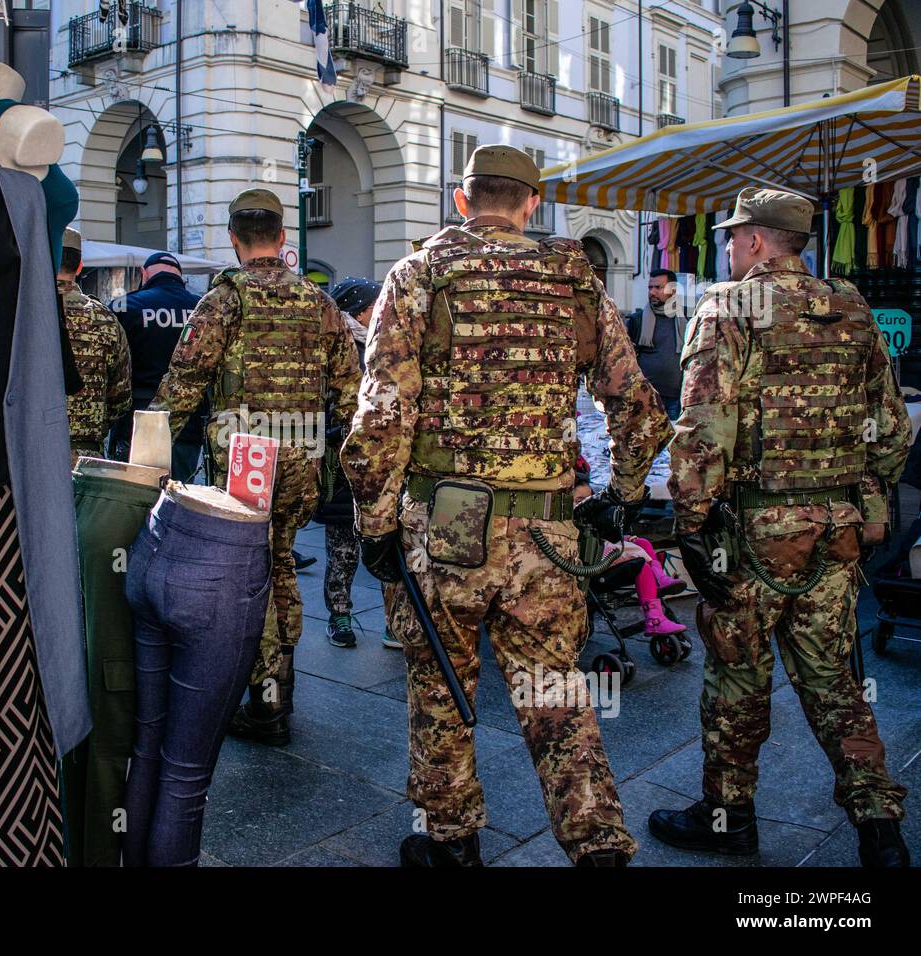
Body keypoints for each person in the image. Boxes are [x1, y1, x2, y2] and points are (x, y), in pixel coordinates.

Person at [343, 144, 671, 867]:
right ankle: (600, 847)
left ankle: (452, 841)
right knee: (556, 692)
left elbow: (381, 415)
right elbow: (637, 404)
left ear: (462, 201)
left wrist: (374, 520)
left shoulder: (420, 272)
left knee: (438, 682)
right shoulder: (574, 276)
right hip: (546, 526)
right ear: (531, 205)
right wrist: (620, 495)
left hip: (448, 517)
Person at [650, 187, 912, 868]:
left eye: (735, 237)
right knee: (833, 681)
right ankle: (879, 826)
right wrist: (869, 500)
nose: (730, 247)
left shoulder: (729, 306)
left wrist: (689, 521)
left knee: (737, 680)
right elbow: (891, 426)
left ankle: (727, 817)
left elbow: (705, 426)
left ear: (759, 241)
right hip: (835, 530)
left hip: (753, 533)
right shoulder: (853, 307)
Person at [150, 187, 361, 746]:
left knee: (253, 573)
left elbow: (184, 383)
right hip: (306, 455)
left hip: (248, 457)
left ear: (234, 239)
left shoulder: (224, 300)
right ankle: (277, 688)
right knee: (281, 561)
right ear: (283, 237)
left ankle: (267, 705)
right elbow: (350, 386)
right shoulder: (319, 302)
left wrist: (144, 457)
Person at [314, 276, 384, 649]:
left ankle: (396, 621)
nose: (380, 310)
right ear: (359, 308)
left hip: (379, 461)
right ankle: (339, 615)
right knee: (342, 545)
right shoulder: (332, 344)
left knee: (392, 544)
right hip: (342, 459)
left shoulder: (383, 344)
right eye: (375, 305)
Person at [109, 252, 208, 480]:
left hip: (136, 422)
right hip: (187, 424)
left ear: (144, 275)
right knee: (179, 503)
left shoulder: (125, 307)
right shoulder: (202, 308)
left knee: (132, 503)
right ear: (181, 278)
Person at [573, 456, 687, 637]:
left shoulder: (591, 515)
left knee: (642, 542)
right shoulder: (571, 521)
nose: (584, 504)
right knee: (639, 564)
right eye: (579, 500)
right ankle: (654, 617)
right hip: (592, 559)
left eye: (588, 499)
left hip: (601, 549)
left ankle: (660, 578)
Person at [56, 227, 133, 462]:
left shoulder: (22, 313)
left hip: (33, 453)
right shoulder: (105, 319)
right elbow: (121, 396)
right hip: (88, 458)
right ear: (80, 267)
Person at [627, 269, 688, 420]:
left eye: (658, 287)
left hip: (677, 398)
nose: (652, 292)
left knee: (673, 441)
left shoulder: (687, 318)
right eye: (650, 287)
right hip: (646, 397)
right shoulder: (638, 320)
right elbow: (627, 357)